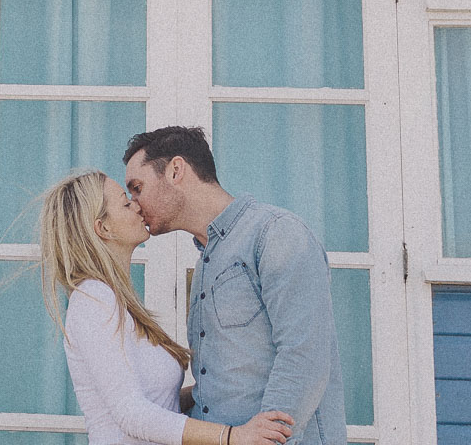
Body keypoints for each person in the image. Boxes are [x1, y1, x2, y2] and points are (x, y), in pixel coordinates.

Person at [122, 126, 347, 445]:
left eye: (137, 187)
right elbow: (221, 385)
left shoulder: (275, 234)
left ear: (175, 170)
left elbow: (304, 356)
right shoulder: (206, 261)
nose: (134, 203)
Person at [38, 169, 296, 445]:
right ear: (103, 228)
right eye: (125, 203)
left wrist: (231, 388)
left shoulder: (117, 300)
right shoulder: (93, 299)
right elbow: (132, 414)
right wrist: (233, 437)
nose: (137, 205)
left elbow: (161, 403)